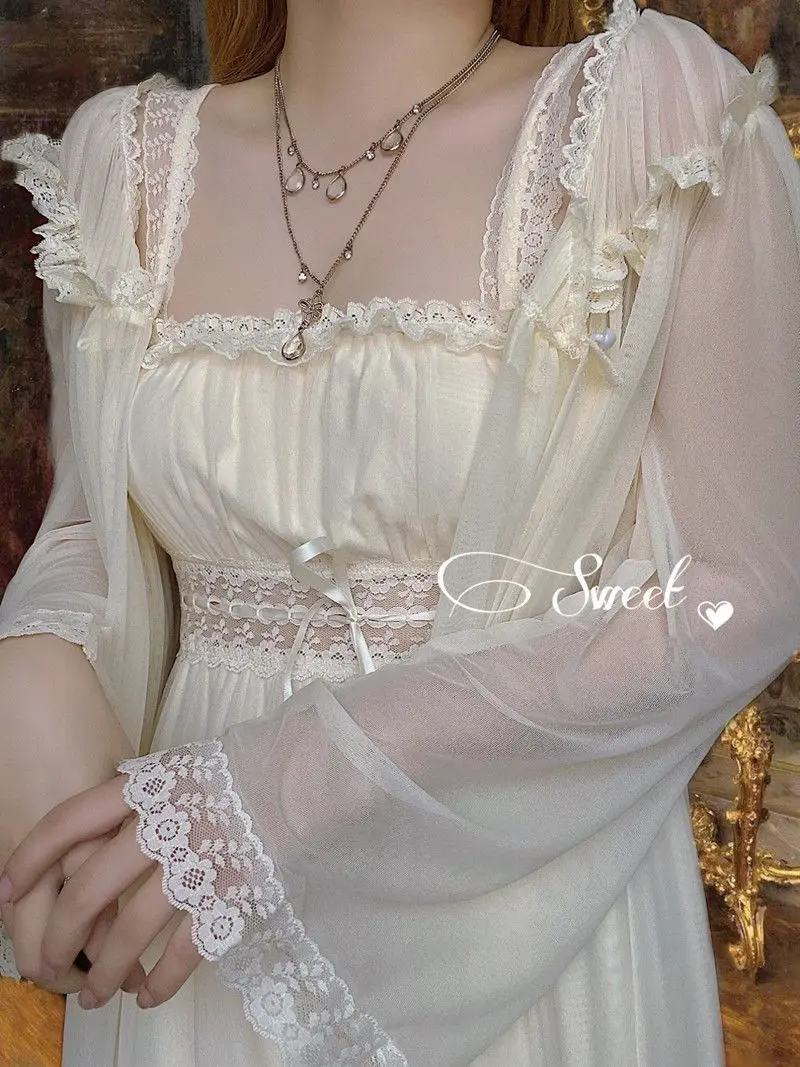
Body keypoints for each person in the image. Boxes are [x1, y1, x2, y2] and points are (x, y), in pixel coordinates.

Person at [0, 0, 798, 1064]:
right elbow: (94, 525)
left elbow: (737, 589)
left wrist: (278, 788)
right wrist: (32, 671)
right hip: (181, 899)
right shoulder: (127, 163)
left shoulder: (650, 116)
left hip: (510, 906)